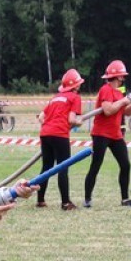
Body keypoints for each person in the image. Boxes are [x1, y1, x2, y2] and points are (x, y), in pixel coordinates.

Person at [84, 60, 131, 208]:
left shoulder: (118, 92)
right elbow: (108, 110)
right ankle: (87, 199)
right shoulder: (105, 90)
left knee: (125, 165)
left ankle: (125, 199)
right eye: (122, 75)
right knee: (96, 166)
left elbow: (126, 113)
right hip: (101, 134)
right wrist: (124, 100)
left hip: (116, 135)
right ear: (118, 77)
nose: (123, 78)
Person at [35, 68, 84, 210]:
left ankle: (40, 200)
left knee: (46, 167)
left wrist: (50, 125)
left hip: (45, 133)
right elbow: (71, 119)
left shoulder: (55, 97)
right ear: (76, 85)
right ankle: (65, 202)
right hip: (60, 134)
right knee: (63, 167)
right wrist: (79, 122)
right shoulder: (75, 97)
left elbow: (41, 117)